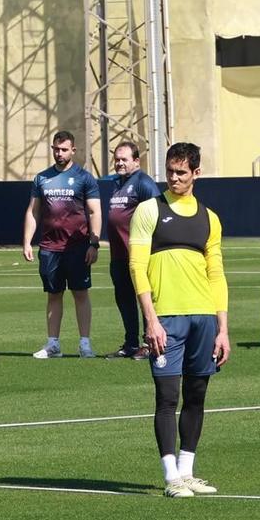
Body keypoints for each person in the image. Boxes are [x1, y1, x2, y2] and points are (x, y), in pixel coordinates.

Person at [128, 143, 229, 497]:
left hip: (203, 317)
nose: (174, 178)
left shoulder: (209, 218)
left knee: (197, 395)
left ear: (196, 174)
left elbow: (216, 274)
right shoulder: (148, 210)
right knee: (168, 396)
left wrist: (223, 330)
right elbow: (136, 267)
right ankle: (171, 476)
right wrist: (151, 319)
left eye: (182, 173)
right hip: (166, 318)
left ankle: (188, 471)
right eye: (170, 171)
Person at [22, 129, 102, 358]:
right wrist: (27, 241)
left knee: (80, 293)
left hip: (77, 247)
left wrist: (94, 243)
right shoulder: (41, 178)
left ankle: (85, 343)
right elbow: (33, 211)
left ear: (73, 151)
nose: (59, 153)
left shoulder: (84, 178)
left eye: (64, 149)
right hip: (49, 247)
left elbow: (95, 211)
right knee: (53, 295)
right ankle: (53, 344)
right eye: (56, 149)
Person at [104, 140, 162, 360]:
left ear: (136, 161)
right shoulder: (118, 183)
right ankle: (130, 343)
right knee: (124, 299)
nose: (119, 163)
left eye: (124, 159)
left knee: (144, 298)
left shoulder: (143, 183)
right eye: (117, 159)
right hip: (118, 255)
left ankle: (150, 344)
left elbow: (157, 214)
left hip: (139, 256)